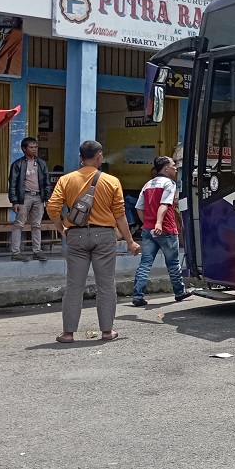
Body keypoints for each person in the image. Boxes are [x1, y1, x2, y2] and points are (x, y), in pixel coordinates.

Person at [46, 140, 140, 343]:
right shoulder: (112, 181)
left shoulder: (66, 180)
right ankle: (107, 331)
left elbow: (52, 208)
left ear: (80, 158)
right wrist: (130, 241)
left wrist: (61, 228)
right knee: (106, 284)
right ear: (99, 157)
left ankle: (68, 333)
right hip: (104, 236)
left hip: (76, 236)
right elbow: (120, 215)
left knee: (74, 286)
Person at [131, 156, 192, 307]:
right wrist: (158, 223)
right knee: (173, 263)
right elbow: (164, 205)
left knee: (145, 263)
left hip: (148, 230)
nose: (175, 168)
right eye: (173, 165)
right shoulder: (169, 184)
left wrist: (147, 223)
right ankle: (179, 291)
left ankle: (137, 295)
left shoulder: (148, 184)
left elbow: (139, 207)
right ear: (165, 168)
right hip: (166, 229)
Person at [8, 137, 53, 262]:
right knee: (19, 224)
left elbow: (46, 182)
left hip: (39, 197)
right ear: (24, 149)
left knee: (37, 225)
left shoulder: (41, 163)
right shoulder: (18, 164)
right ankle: (16, 252)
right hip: (24, 197)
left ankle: (37, 251)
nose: (34, 149)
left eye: (35, 147)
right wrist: (14, 201)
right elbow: (12, 184)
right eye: (31, 147)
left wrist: (47, 198)